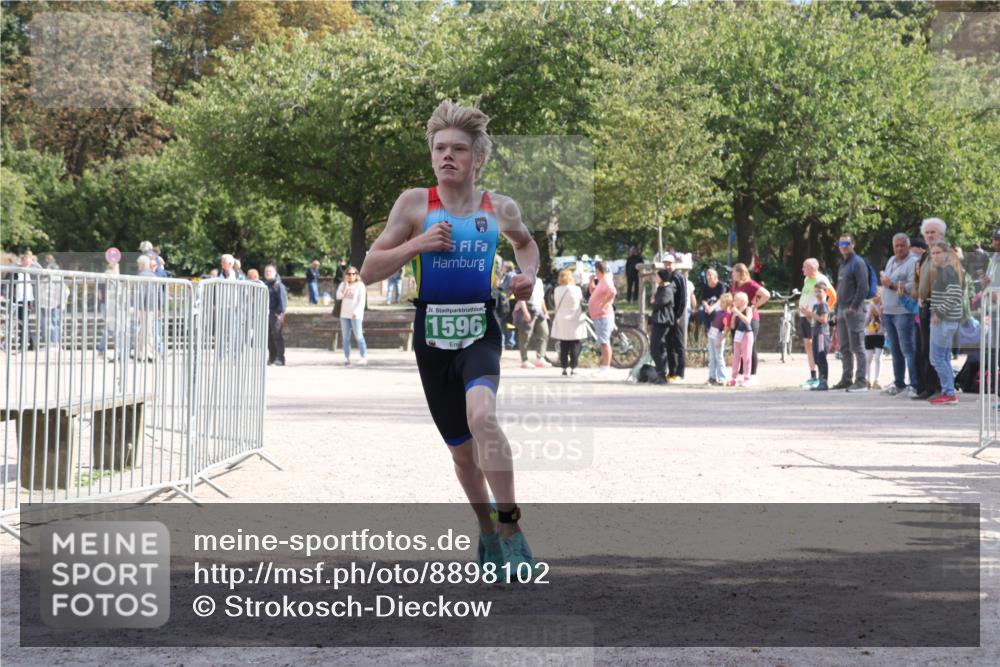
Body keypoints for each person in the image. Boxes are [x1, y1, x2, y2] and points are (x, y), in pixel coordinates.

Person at [359, 99, 540, 574]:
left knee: (483, 418)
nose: (447, 156)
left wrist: (529, 276)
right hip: (432, 336)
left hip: (480, 328)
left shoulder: (499, 207)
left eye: (458, 149)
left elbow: (526, 244)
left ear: (477, 158)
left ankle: (511, 527)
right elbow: (368, 270)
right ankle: (486, 530)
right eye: (440, 148)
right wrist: (418, 243)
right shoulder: (415, 204)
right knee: (462, 455)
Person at [912, 218, 961, 400]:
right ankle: (930, 387)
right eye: (927, 233)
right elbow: (918, 280)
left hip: (939, 310)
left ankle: (943, 389)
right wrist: (917, 295)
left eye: (933, 232)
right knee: (925, 350)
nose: (930, 235)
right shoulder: (925, 256)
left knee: (937, 354)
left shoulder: (949, 257)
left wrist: (940, 311)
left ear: (941, 234)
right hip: (926, 306)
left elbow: (955, 288)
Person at [880, 233, 920, 397]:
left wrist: (892, 284)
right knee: (895, 350)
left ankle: (915, 385)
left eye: (902, 245)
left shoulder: (913, 262)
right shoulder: (891, 260)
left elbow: (913, 286)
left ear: (908, 246)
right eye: (896, 246)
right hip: (888, 310)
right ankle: (899, 383)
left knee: (908, 349)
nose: (899, 248)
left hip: (904, 311)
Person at [831, 233, 869, 392]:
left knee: (858, 346)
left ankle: (861, 381)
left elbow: (863, 287)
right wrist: (836, 310)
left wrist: (854, 307)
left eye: (846, 243)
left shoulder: (858, 263)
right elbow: (840, 289)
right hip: (841, 310)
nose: (843, 247)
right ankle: (846, 379)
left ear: (853, 245)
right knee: (844, 347)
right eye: (841, 244)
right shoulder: (843, 264)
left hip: (854, 311)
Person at [928, 240, 964, 405]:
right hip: (947, 321)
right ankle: (948, 391)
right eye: (933, 253)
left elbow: (955, 295)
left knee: (937, 358)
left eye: (938, 253)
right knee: (943, 358)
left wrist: (939, 312)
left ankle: (949, 393)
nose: (935, 256)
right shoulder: (947, 271)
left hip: (944, 322)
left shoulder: (948, 271)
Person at [729, 262, 770, 384]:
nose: (732, 275)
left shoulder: (750, 284)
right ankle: (741, 374)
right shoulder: (734, 285)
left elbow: (766, 295)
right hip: (737, 318)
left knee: (750, 347)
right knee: (738, 348)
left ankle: (752, 374)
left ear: (740, 273)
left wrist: (754, 306)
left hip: (750, 319)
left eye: (734, 272)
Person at [797, 259, 832, 388]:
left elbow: (833, 295)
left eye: (805, 267)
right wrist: (805, 312)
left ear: (813, 268)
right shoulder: (806, 279)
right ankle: (814, 376)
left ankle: (822, 380)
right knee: (810, 348)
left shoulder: (822, 279)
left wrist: (825, 310)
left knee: (820, 353)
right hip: (808, 317)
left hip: (818, 322)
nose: (802, 269)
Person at [550, 268, 586, 376]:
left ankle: (564, 367)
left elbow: (556, 304)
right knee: (575, 344)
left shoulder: (557, 290)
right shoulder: (576, 289)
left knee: (563, 344)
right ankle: (574, 367)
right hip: (575, 318)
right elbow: (581, 301)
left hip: (561, 318)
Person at [659, 255, 688, 382]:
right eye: (665, 263)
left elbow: (682, 298)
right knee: (669, 344)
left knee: (678, 345)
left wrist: (678, 315)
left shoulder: (678, 276)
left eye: (670, 263)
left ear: (674, 264)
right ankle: (672, 372)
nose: (667, 266)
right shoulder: (667, 276)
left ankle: (680, 373)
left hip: (676, 316)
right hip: (669, 316)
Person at [513, 276, 551, 369]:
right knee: (525, 336)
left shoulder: (539, 281)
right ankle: (524, 360)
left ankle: (540, 357)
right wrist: (525, 312)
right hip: (528, 309)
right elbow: (521, 298)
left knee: (544, 333)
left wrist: (545, 311)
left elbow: (541, 298)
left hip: (539, 310)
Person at [649, 268, 678, 385]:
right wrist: (654, 301)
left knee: (656, 347)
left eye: (657, 276)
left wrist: (653, 301)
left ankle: (661, 373)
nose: (655, 278)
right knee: (658, 347)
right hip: (658, 319)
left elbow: (659, 303)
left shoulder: (667, 289)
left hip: (663, 320)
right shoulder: (661, 288)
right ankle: (661, 372)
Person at [589, 260, 617, 377]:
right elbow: (593, 292)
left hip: (603, 315)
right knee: (603, 341)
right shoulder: (602, 281)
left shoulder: (605, 280)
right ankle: (604, 366)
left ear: (598, 270)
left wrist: (605, 303)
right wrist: (591, 281)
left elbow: (613, 292)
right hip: (599, 315)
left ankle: (606, 367)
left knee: (605, 342)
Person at [336, 265, 368, 366]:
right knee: (345, 337)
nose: (351, 276)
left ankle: (363, 357)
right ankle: (346, 358)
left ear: (356, 275)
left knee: (359, 336)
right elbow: (339, 296)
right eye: (349, 274)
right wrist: (345, 286)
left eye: (353, 274)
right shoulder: (342, 284)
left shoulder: (360, 285)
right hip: (344, 314)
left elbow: (361, 301)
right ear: (345, 275)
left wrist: (356, 312)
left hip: (356, 315)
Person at [36, 263, 69, 346]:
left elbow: (64, 292)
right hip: (45, 305)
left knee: (54, 324)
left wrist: (60, 302)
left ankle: (54, 342)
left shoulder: (57, 279)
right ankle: (51, 342)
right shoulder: (45, 279)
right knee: (48, 324)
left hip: (54, 305)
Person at [133, 255, 158, 362]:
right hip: (151, 306)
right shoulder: (153, 275)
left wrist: (137, 307)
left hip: (143, 307)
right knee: (146, 329)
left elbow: (141, 293)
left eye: (139, 264)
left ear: (143, 264)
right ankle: (143, 352)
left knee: (146, 330)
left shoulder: (141, 276)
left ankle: (146, 352)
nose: (138, 266)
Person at [728, 292, 754, 387]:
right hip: (738, 334)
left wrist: (738, 313)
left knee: (746, 357)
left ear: (742, 301)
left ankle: (747, 378)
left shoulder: (748, 309)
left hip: (746, 334)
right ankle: (734, 377)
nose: (734, 301)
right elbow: (732, 326)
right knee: (736, 357)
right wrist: (733, 317)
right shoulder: (736, 311)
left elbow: (748, 321)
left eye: (736, 300)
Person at [707, 292, 733, 385]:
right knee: (712, 357)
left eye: (722, 302)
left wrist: (720, 341)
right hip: (712, 335)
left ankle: (722, 378)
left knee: (719, 357)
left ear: (728, 304)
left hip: (718, 336)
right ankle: (712, 377)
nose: (720, 304)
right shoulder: (719, 311)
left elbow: (726, 330)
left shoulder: (727, 314)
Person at [264, 264, 287, 366]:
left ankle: (280, 358)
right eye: (266, 271)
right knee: (269, 337)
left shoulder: (278, 285)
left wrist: (279, 313)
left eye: (270, 271)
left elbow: (283, 301)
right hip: (267, 313)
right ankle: (272, 357)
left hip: (275, 314)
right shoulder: (265, 285)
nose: (267, 273)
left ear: (275, 273)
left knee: (277, 336)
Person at [13, 252, 36, 351]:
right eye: (25, 261)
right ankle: (31, 341)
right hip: (18, 299)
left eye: (28, 262)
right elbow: (8, 281)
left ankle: (25, 343)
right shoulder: (16, 271)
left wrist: (34, 263)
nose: (27, 264)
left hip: (28, 300)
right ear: (21, 261)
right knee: (21, 322)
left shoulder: (33, 272)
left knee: (23, 321)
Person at [697, 267, 726, 338]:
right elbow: (703, 299)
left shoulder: (720, 285)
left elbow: (721, 299)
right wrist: (707, 306)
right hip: (708, 304)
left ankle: (714, 330)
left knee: (715, 312)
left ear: (715, 276)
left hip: (717, 304)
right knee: (701, 311)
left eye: (710, 275)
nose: (708, 277)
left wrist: (712, 308)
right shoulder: (705, 286)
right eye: (707, 275)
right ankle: (706, 329)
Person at [864, 289, 885, 390]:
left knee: (878, 358)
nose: (875, 298)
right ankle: (867, 380)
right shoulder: (868, 306)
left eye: (877, 295)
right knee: (868, 358)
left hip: (880, 334)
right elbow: (864, 323)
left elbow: (885, 323)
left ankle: (877, 380)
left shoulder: (883, 307)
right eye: (873, 295)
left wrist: (880, 314)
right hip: (869, 334)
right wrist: (870, 313)